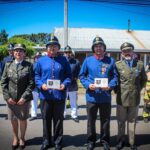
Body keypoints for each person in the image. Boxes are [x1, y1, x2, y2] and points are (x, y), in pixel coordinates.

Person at [79, 36, 118, 150]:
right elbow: (81, 75)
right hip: (92, 96)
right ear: (93, 48)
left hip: (105, 96)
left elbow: (115, 76)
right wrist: (87, 85)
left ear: (104, 48)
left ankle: (105, 140)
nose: (98, 48)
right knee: (91, 120)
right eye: (96, 46)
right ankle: (91, 140)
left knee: (105, 120)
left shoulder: (111, 60)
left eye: (100, 46)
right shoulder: (88, 60)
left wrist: (110, 85)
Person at [34, 34, 71, 150]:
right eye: (50, 46)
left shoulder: (64, 60)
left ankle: (58, 142)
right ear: (46, 48)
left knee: (58, 120)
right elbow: (36, 76)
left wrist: (64, 84)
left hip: (59, 96)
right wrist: (41, 85)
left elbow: (69, 76)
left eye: (55, 46)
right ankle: (46, 141)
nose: (52, 48)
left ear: (58, 48)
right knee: (46, 119)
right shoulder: (41, 61)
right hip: (45, 96)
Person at [1, 43, 34, 150]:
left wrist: (24, 97)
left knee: (22, 119)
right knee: (13, 119)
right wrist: (7, 97)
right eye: (16, 50)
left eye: (21, 51)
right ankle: (15, 138)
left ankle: (22, 138)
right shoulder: (8, 65)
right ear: (13, 53)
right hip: (11, 99)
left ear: (24, 53)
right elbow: (3, 82)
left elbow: (31, 83)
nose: (18, 52)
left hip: (23, 99)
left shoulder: (29, 66)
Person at [115, 42, 147, 150]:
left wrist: (138, 89)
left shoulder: (140, 64)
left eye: (129, 50)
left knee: (132, 121)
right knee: (121, 121)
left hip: (134, 97)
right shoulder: (118, 65)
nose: (127, 53)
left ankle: (131, 142)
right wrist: (117, 91)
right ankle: (120, 141)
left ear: (133, 51)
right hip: (121, 97)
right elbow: (115, 80)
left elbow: (144, 79)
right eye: (124, 51)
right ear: (122, 53)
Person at [63, 45, 80, 122]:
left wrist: (76, 77)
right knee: (63, 102)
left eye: (69, 52)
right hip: (63, 85)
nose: (67, 53)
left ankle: (74, 115)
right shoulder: (61, 61)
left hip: (73, 84)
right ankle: (63, 115)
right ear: (64, 53)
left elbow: (79, 73)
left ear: (71, 53)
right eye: (66, 52)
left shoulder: (76, 62)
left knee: (73, 102)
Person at [1, 43, 14, 120]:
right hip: (8, 81)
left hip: (15, 81)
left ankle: (16, 113)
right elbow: (2, 71)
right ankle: (9, 114)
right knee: (8, 98)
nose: (10, 51)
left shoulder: (17, 58)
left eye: (12, 50)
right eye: (9, 50)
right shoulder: (5, 59)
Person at [29, 52, 42, 121]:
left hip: (43, 85)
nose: (38, 58)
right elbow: (30, 76)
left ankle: (44, 114)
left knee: (43, 100)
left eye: (40, 56)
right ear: (35, 58)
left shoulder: (44, 64)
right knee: (34, 101)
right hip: (35, 85)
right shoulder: (32, 65)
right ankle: (34, 115)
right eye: (37, 57)